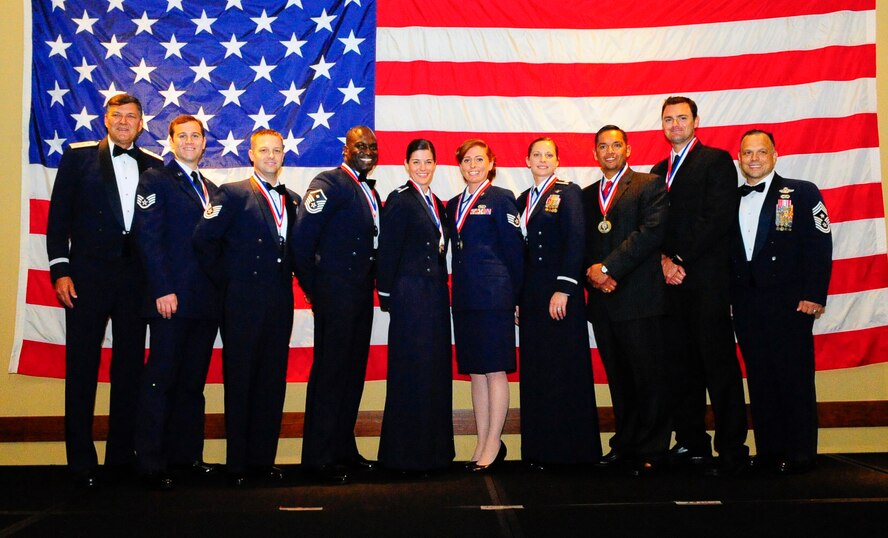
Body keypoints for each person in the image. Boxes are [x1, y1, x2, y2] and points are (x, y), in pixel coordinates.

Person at [45, 93, 163, 488]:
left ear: (142, 123)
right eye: (118, 115)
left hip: (136, 283)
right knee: (81, 369)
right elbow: (58, 218)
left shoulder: (154, 166)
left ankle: (120, 458)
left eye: (132, 116)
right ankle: (80, 462)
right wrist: (60, 270)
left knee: (129, 370)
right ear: (106, 119)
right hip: (86, 280)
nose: (125, 121)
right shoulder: (77, 159)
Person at [192, 129, 300, 487]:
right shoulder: (233, 194)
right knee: (240, 382)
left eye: (277, 150)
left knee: (272, 382)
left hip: (279, 303)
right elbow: (203, 240)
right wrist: (229, 282)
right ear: (251, 155)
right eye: (264, 150)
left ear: (284, 155)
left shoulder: (295, 200)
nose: (271, 156)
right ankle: (237, 464)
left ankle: (262, 461)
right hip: (241, 304)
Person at [650, 96, 750, 476]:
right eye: (668, 119)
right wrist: (662, 260)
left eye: (681, 118)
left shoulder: (717, 162)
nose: (675, 124)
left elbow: (717, 219)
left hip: (706, 283)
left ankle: (731, 447)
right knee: (680, 368)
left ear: (696, 121)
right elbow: (652, 227)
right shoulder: (657, 172)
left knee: (719, 367)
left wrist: (679, 259)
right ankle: (692, 441)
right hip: (670, 287)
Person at [731, 130, 832, 474]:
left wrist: (815, 294)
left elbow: (819, 245)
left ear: (775, 155)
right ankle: (770, 450)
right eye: (747, 153)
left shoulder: (802, 192)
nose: (754, 158)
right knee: (759, 379)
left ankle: (801, 452)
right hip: (746, 304)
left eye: (761, 152)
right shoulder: (731, 198)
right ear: (739, 158)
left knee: (795, 377)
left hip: (790, 303)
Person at [132, 115, 220, 490]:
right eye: (181, 135)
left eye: (195, 136)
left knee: (192, 384)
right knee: (161, 380)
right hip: (170, 299)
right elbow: (147, 239)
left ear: (204, 143)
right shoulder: (156, 180)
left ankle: (187, 457)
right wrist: (161, 289)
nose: (189, 141)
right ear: (170, 142)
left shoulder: (212, 188)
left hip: (205, 302)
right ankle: (151, 460)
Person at [291, 125, 381, 483]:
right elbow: (301, 240)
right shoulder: (328, 183)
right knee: (330, 373)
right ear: (345, 149)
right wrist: (318, 291)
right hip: (335, 293)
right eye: (360, 145)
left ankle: (343, 448)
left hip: (359, 294)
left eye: (373, 146)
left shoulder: (365, 190)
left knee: (352, 373)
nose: (367, 151)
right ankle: (319, 456)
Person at [582, 125, 671, 476]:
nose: (609, 151)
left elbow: (650, 234)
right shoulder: (588, 195)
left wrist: (607, 267)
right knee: (619, 378)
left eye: (615, 145)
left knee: (648, 377)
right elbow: (582, 244)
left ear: (628, 149)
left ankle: (652, 449)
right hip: (604, 302)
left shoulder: (649, 185)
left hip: (639, 299)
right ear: (594, 153)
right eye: (602, 146)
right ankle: (627, 443)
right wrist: (595, 276)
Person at [517, 137, 600, 469]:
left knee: (565, 367)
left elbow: (577, 240)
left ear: (557, 161)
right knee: (538, 370)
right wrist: (519, 299)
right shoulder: (523, 199)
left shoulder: (568, 193)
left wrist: (565, 288)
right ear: (526, 160)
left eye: (548, 155)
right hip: (533, 295)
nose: (541, 159)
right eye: (536, 154)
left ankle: (574, 451)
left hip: (560, 293)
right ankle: (541, 449)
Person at [376, 139, 455, 474]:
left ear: (435, 165)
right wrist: (387, 296)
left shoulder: (438, 203)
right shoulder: (400, 199)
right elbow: (387, 251)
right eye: (417, 162)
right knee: (411, 372)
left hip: (436, 296)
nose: (423, 168)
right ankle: (406, 456)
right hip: (409, 295)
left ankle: (433, 453)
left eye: (428, 162)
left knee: (435, 371)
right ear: (406, 165)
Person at [446, 138, 524, 472]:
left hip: (495, 298)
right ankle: (481, 441)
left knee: (495, 371)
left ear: (491, 163)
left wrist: (518, 298)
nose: (473, 165)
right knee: (476, 373)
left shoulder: (502, 198)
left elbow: (515, 252)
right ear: (459, 165)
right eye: (466, 160)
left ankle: (494, 443)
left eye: (479, 159)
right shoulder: (452, 204)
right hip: (464, 298)